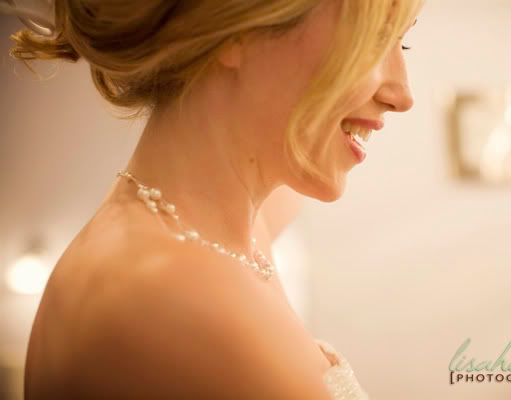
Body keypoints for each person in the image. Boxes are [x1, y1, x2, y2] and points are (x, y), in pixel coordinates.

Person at [5, 0, 423, 398]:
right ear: (237, 30)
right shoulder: (175, 301)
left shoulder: (216, 228)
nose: (402, 96)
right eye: (374, 37)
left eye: (401, 43)